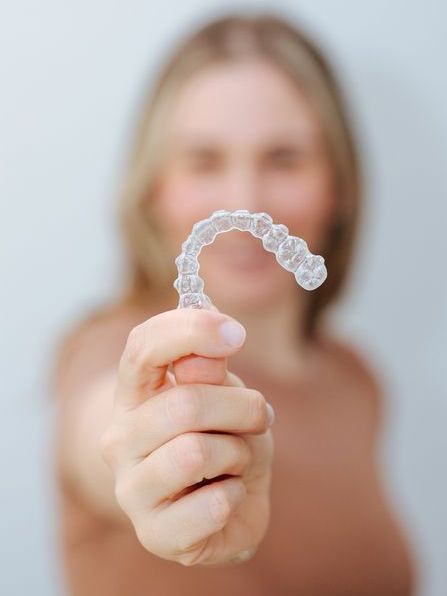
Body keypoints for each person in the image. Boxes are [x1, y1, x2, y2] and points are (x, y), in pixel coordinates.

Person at [50, 12, 416, 596]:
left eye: (284, 158)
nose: (245, 202)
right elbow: (104, 430)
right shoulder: (117, 356)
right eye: (204, 160)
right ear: (153, 189)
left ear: (339, 187)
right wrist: (148, 466)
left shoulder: (357, 378)